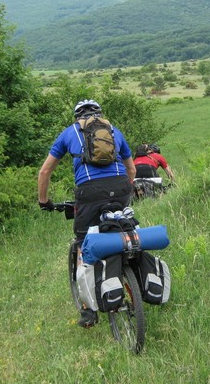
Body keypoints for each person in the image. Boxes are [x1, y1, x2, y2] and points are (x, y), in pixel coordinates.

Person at [37, 99, 136, 328]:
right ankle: (131, 280)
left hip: (89, 192)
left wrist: (44, 202)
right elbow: (131, 169)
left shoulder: (69, 133)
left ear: (77, 117)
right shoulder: (113, 130)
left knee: (84, 244)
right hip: (121, 188)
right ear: (99, 114)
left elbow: (45, 171)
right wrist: (124, 193)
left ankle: (89, 310)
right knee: (123, 227)